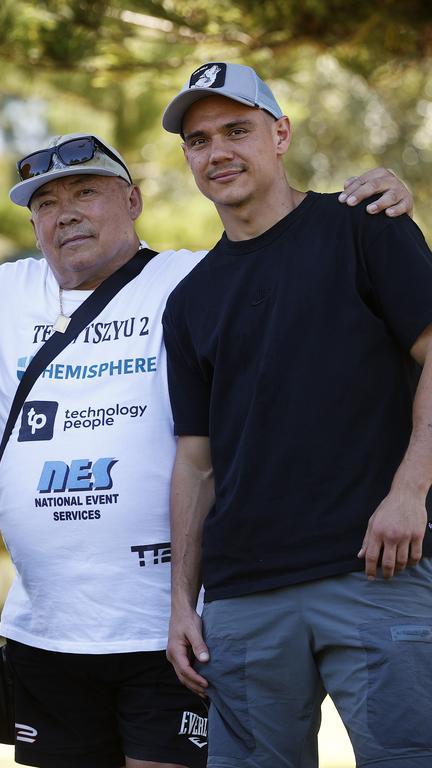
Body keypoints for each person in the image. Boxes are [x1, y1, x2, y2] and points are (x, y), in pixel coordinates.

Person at [0, 131, 411, 768]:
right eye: (45, 203)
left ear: (133, 201)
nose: (66, 212)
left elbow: (305, 275)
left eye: (87, 191)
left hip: (170, 629)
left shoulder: (194, 277)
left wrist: (377, 209)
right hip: (45, 629)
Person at [161, 61, 432, 768]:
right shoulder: (190, 300)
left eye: (237, 130)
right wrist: (183, 603)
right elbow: (196, 460)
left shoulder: (367, 228)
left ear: (280, 134)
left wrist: (410, 494)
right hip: (244, 599)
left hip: (376, 572)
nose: (217, 151)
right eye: (198, 139)